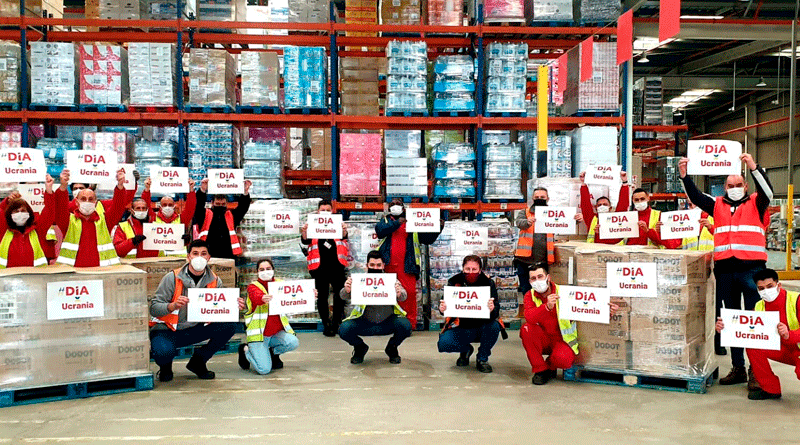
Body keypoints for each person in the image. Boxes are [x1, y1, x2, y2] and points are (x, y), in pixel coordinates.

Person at [679, 153, 772, 386]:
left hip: (752, 271)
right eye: (730, 186)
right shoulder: (718, 205)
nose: (734, 188)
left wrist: (753, 166)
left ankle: (755, 371)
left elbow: (768, 191)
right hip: (725, 271)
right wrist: (685, 177)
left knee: (753, 322)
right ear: (724, 188)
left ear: (746, 185)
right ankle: (738, 367)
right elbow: (697, 198)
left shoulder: (757, 203)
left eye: (739, 185)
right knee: (731, 321)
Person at [149, 239, 244, 382]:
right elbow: (154, 308)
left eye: (203, 253)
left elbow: (221, 306)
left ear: (208, 258)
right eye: (195, 253)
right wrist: (172, 306)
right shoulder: (172, 278)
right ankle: (165, 367)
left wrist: (234, 304)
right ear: (188, 257)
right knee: (162, 352)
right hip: (168, 330)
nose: (199, 257)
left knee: (229, 326)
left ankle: (198, 362)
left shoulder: (215, 280)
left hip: (194, 329)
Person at [520, 262, 618, 385]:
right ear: (530, 282)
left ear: (548, 278)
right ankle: (540, 370)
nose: (537, 281)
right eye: (533, 279)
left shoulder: (565, 292)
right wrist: (546, 307)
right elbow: (529, 317)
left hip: (562, 340)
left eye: (540, 277)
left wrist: (605, 311)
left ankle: (550, 366)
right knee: (526, 329)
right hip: (542, 338)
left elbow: (587, 309)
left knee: (564, 360)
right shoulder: (530, 296)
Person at [715, 268, 799, 400]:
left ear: (779, 285)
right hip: (784, 349)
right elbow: (746, 332)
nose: (766, 291)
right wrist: (725, 328)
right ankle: (771, 389)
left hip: (797, 347)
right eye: (761, 288)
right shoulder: (759, 307)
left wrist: (790, 334)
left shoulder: (796, 300)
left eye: (769, 286)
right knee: (753, 345)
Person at [376, 199, 442, 327]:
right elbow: (380, 231)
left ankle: (410, 323)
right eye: (392, 204)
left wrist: (438, 228)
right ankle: (389, 323)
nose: (395, 207)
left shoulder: (413, 222)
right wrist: (397, 224)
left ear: (403, 208)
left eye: (398, 204)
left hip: (408, 265)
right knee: (389, 294)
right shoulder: (385, 221)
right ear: (389, 208)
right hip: (388, 264)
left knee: (410, 294)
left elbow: (426, 239)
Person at [338, 250, 411, 364]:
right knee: (344, 329)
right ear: (367, 265)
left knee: (406, 326)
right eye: (372, 265)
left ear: (383, 266)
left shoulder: (390, 280)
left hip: (387, 322)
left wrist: (399, 293)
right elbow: (343, 295)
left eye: (378, 265)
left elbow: (404, 296)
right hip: (363, 322)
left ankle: (392, 348)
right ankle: (359, 348)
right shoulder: (359, 280)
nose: (375, 268)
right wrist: (347, 289)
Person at [437, 255, 506, 373]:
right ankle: (466, 350)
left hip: (483, 326)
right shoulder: (454, 282)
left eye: (474, 269)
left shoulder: (488, 283)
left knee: (494, 326)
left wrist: (492, 309)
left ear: (480, 270)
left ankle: (482, 358)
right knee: (443, 344)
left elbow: (496, 310)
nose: (471, 272)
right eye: (467, 269)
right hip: (461, 326)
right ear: (463, 268)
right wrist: (442, 309)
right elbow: (445, 305)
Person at [237, 258, 302, 375]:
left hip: (276, 334)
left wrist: (309, 294)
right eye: (261, 269)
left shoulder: (280, 284)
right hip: (259, 336)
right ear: (257, 272)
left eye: (268, 269)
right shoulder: (253, 287)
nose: (265, 271)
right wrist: (262, 298)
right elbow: (255, 296)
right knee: (264, 370)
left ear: (273, 270)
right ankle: (246, 350)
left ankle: (270, 352)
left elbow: (295, 295)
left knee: (293, 342)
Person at [55, 169, 130, 267]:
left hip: (102, 271)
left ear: (95, 203)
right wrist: (63, 187)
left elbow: (118, 206)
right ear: (76, 202)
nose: (87, 201)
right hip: (72, 273)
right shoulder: (69, 221)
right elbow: (59, 207)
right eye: (83, 199)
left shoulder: (104, 221)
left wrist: (120, 186)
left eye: (90, 199)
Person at [301, 199, 349, 337]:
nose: (326, 212)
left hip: (337, 265)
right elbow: (305, 240)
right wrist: (304, 231)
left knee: (339, 296)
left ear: (332, 211)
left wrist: (344, 231)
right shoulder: (312, 225)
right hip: (319, 267)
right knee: (322, 296)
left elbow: (344, 238)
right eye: (323, 210)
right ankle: (326, 324)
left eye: (328, 210)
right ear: (318, 211)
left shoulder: (337, 224)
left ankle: (336, 323)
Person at [0, 174, 57, 267]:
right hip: (7, 278)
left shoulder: (38, 230)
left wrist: (49, 190)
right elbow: (1, 212)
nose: (19, 213)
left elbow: (49, 211)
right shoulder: (3, 231)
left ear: (29, 214)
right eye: (16, 211)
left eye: (23, 211)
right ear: (10, 215)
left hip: (36, 278)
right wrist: (7, 201)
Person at [193, 178, 252, 259]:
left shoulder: (231, 215)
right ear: (212, 203)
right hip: (208, 253)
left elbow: (243, 207)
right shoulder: (204, 214)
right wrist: (202, 190)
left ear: (226, 204)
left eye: (223, 204)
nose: (220, 206)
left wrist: (245, 192)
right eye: (218, 203)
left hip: (228, 254)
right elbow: (198, 205)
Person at [579, 170, 630, 244]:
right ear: (596, 208)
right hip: (595, 251)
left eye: (605, 204)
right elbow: (585, 204)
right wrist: (583, 183)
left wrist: (625, 183)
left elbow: (623, 204)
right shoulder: (592, 219)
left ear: (610, 208)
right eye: (599, 205)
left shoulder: (617, 219)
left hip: (614, 252)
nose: (602, 206)